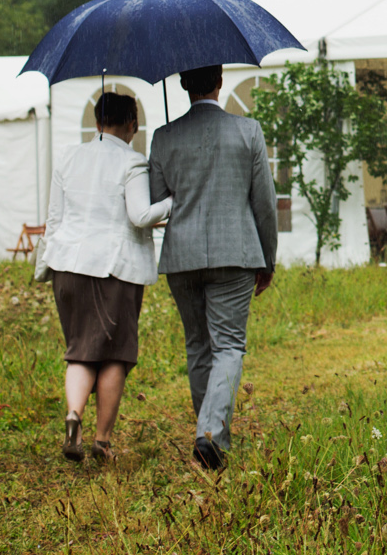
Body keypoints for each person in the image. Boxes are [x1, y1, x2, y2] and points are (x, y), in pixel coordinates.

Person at [147, 63, 278, 471]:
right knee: (229, 346)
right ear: (220, 81)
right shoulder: (248, 131)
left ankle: (209, 434)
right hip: (236, 253)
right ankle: (210, 434)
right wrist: (268, 258)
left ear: (183, 84)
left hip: (181, 256)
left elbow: (157, 201)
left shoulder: (163, 137)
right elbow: (264, 203)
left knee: (198, 345)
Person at [39, 90, 172, 463]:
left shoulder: (68, 157)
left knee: (80, 350)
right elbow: (140, 216)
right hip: (114, 270)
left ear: (97, 122)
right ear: (132, 124)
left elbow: (54, 218)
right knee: (115, 354)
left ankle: (73, 416)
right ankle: (102, 442)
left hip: (66, 267)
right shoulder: (132, 162)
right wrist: (172, 201)